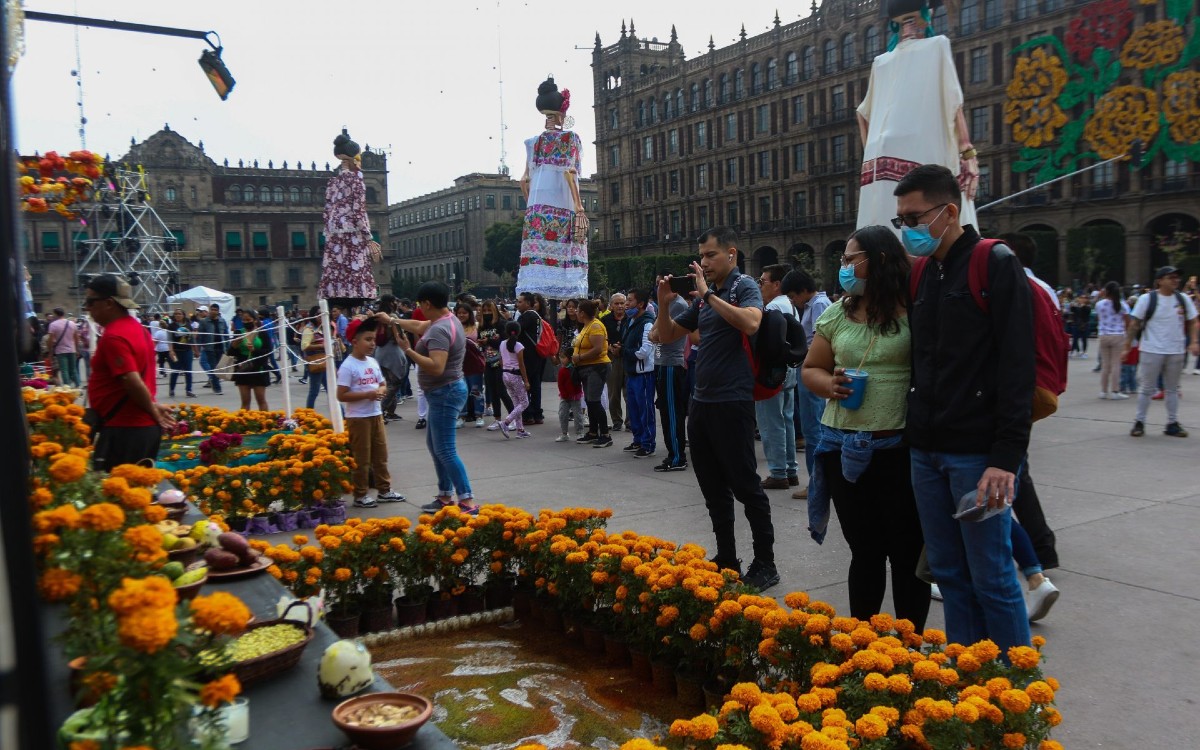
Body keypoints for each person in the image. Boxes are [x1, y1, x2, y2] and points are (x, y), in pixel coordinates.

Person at [898, 164, 1034, 652]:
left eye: (913, 217)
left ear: (949, 211)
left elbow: (1019, 368)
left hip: (977, 457)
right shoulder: (922, 273)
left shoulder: (993, 262)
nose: (907, 228)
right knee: (950, 577)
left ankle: (1017, 696)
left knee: (992, 578)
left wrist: (1005, 458)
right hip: (927, 453)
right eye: (901, 220)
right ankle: (966, 682)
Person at [801, 225, 929, 628]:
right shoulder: (838, 313)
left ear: (880, 260)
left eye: (850, 258)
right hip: (844, 448)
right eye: (842, 259)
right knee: (866, 552)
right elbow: (811, 369)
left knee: (907, 555)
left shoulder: (917, 308)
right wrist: (831, 384)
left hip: (901, 448)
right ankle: (863, 645)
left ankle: (910, 652)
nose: (844, 266)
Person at [653, 227, 780, 591]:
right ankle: (727, 557)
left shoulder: (742, 287)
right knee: (712, 487)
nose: (703, 262)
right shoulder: (703, 299)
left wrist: (708, 296)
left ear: (731, 254)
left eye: (710, 255)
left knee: (746, 486)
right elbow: (667, 336)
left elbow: (753, 322)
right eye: (701, 255)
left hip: (732, 401)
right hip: (703, 402)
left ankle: (765, 562)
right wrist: (664, 303)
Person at [856, 0, 978, 232]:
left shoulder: (880, 63)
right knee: (935, 214)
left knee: (884, 228)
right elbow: (953, 102)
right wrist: (967, 151)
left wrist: (871, 156)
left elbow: (862, 114)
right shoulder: (937, 46)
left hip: (880, 161)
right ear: (925, 12)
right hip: (922, 147)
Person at [393, 281, 479, 515]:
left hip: (445, 391)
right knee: (436, 446)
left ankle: (467, 501)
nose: (420, 309)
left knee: (445, 449)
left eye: (421, 305)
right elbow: (420, 325)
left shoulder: (440, 329)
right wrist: (393, 321)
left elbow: (436, 366)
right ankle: (444, 496)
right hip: (443, 392)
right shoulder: (446, 319)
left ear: (428, 303)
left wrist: (407, 350)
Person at [83, 275, 175, 470]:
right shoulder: (137, 328)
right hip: (137, 426)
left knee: (118, 492)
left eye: (91, 301)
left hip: (125, 428)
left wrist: (152, 410)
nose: (87, 308)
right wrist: (153, 407)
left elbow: (131, 380)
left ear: (109, 303)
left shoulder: (114, 336)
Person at [515, 76, 590, 300]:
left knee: (538, 257)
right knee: (567, 256)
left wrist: (530, 208)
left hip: (536, 208)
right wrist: (579, 206)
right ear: (562, 112)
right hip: (561, 203)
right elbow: (570, 171)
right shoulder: (570, 138)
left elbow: (523, 180)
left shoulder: (533, 142)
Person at [337, 317, 405, 508]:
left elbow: (382, 384)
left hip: (376, 415)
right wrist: (366, 394)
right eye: (367, 339)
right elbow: (341, 395)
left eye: (373, 339)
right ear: (355, 342)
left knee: (381, 455)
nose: (372, 343)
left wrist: (381, 391)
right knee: (362, 457)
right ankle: (360, 494)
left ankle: (384, 490)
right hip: (358, 418)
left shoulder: (373, 362)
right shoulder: (348, 366)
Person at [1125, 265, 1199, 437]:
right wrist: (1127, 345)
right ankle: (1139, 422)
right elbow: (1135, 323)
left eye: (1177, 277)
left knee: (1172, 389)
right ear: (1160, 281)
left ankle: (1172, 423)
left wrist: (1194, 341)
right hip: (1152, 349)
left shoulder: (1183, 299)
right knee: (1146, 388)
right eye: (1171, 277)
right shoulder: (1147, 299)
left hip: (1176, 350)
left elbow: (1194, 321)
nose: (1176, 280)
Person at [782, 270, 830, 500]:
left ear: (803, 290)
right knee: (813, 428)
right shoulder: (812, 306)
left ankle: (817, 484)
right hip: (807, 367)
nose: (792, 301)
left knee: (814, 430)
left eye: (793, 295)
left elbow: (821, 340)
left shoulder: (819, 304)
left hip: (812, 367)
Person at [319, 130, 380, 307]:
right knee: (355, 273)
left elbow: (327, 212)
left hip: (334, 237)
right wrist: (369, 238)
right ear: (354, 157)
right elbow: (358, 212)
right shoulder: (356, 181)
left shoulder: (333, 182)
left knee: (337, 274)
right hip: (353, 235)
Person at [754, 265, 801, 490]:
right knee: (786, 420)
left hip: (772, 372)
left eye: (763, 282)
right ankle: (790, 470)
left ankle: (778, 472)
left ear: (777, 284)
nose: (760, 286)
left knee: (771, 423)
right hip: (788, 370)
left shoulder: (773, 308)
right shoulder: (790, 306)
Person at [651, 284, 692, 472]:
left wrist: (656, 334)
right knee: (667, 412)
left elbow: (660, 336)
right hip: (663, 363)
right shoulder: (667, 305)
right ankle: (674, 454)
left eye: (662, 285)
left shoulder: (678, 306)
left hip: (671, 365)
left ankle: (677, 456)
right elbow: (653, 333)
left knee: (672, 413)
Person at [621, 289, 657, 458]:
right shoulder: (631, 321)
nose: (626, 304)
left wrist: (624, 351)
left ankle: (648, 443)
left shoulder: (647, 323)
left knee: (645, 410)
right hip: (632, 372)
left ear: (641, 304)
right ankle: (638, 439)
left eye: (629, 301)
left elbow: (644, 352)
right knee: (634, 409)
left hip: (643, 374)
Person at [571, 299, 612, 447]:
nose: (575, 312)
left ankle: (605, 435)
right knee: (589, 400)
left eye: (577, 310)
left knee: (594, 401)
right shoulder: (586, 326)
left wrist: (580, 357)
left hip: (597, 367)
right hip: (586, 368)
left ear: (582, 313)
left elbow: (598, 349)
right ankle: (593, 432)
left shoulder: (595, 326)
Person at [228, 310, 272, 411]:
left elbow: (268, 350)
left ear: (255, 320)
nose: (246, 322)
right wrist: (233, 346)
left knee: (261, 400)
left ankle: (265, 423)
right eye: (243, 320)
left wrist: (254, 350)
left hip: (259, 368)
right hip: (243, 369)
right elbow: (230, 353)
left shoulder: (262, 333)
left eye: (248, 320)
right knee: (245, 401)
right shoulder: (238, 332)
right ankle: (245, 423)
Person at [515, 292, 548, 425]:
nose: (517, 304)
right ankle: (537, 414)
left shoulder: (527, 316)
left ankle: (528, 414)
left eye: (520, 301)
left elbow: (514, 330)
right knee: (535, 385)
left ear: (528, 303)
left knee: (526, 384)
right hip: (537, 354)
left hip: (528, 356)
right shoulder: (537, 316)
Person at [374, 295, 408, 424]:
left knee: (386, 382)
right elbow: (399, 335)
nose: (396, 303)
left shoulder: (377, 316)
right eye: (395, 301)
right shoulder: (392, 318)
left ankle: (390, 411)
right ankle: (381, 410)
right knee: (394, 383)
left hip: (379, 352)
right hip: (392, 352)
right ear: (391, 303)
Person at [480, 300, 513, 429]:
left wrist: (489, 341)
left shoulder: (501, 324)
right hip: (488, 361)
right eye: (484, 311)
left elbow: (504, 343)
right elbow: (482, 340)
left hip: (501, 361)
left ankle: (513, 417)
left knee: (501, 391)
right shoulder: (482, 326)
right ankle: (497, 419)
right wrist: (482, 342)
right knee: (492, 390)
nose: (487, 313)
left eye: (489, 310)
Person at [1094, 281, 1130, 399]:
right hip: (1118, 335)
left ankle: (1103, 391)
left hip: (1104, 335)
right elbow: (1127, 321)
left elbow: (1099, 318)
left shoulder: (1099, 304)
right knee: (1116, 364)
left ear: (1106, 291)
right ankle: (1115, 391)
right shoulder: (1122, 305)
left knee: (1105, 365)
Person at [496, 321, 532, 439]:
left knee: (517, 402)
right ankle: (506, 422)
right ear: (519, 331)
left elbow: (501, 360)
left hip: (505, 374)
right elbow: (521, 364)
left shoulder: (502, 344)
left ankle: (520, 429)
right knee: (524, 402)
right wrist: (526, 380)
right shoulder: (519, 346)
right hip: (515, 374)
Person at [602, 293, 629, 431]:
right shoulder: (605, 320)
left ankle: (630, 422)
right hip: (612, 358)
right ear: (611, 306)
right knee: (613, 392)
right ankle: (616, 420)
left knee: (629, 392)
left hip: (628, 357)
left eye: (622, 303)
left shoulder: (631, 318)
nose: (619, 306)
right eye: (616, 303)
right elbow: (602, 339)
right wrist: (610, 348)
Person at [456, 302, 485, 427]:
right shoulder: (453, 327)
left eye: (464, 313)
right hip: (458, 365)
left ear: (469, 314)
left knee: (476, 390)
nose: (462, 315)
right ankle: (461, 417)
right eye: (459, 313)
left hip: (475, 364)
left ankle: (479, 416)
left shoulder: (476, 326)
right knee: (461, 392)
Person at [301, 306, 329, 410]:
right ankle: (308, 413)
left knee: (330, 390)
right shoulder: (309, 329)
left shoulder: (321, 327)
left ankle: (342, 414)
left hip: (324, 362)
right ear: (313, 315)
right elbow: (304, 346)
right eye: (318, 314)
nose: (321, 316)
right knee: (314, 391)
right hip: (315, 362)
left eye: (322, 313)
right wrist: (321, 346)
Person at [196, 304, 228, 395]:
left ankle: (214, 383)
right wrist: (199, 348)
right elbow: (200, 336)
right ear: (210, 310)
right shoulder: (204, 322)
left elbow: (226, 335)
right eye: (212, 309)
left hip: (221, 348)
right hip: (210, 349)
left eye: (215, 310)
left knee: (219, 368)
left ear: (218, 311)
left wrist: (228, 348)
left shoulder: (222, 321)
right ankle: (218, 388)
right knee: (214, 368)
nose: (213, 311)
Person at [46, 307, 81, 388]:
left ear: (56, 314)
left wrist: (50, 352)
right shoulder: (72, 323)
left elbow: (50, 340)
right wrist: (77, 349)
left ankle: (67, 387)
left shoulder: (53, 325)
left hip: (60, 351)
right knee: (73, 369)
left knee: (64, 370)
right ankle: (78, 386)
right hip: (72, 349)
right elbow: (76, 338)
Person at [555, 348, 585, 442]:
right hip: (565, 397)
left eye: (563, 357)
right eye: (560, 357)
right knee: (562, 414)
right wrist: (564, 394)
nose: (561, 359)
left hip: (575, 396)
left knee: (578, 415)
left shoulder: (576, 369)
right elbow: (560, 384)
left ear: (570, 358)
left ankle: (580, 433)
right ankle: (564, 433)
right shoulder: (562, 371)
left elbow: (579, 382)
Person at [166, 309, 197, 399]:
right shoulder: (171, 326)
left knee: (188, 371)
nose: (177, 315)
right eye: (175, 314)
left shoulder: (189, 326)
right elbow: (169, 339)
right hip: (176, 352)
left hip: (187, 352)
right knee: (175, 371)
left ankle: (189, 390)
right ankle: (172, 389)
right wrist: (171, 351)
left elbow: (192, 339)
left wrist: (196, 350)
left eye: (179, 314)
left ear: (183, 315)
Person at [1068, 294, 1091, 359]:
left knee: (1084, 339)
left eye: (1084, 298)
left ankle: (1084, 352)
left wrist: (1082, 306)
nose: (1082, 299)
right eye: (1081, 298)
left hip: (1084, 325)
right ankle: (1072, 351)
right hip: (1076, 324)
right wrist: (1074, 304)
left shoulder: (1087, 307)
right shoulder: (1076, 306)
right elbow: (1072, 309)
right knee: (1075, 339)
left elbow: (1086, 312)